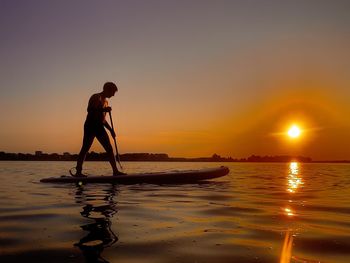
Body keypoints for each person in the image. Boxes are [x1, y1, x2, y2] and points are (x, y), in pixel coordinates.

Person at [72, 82, 125, 177]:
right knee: (85, 149)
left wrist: (111, 130)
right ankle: (78, 172)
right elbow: (90, 110)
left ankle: (115, 172)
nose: (113, 95)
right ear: (107, 89)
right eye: (113, 92)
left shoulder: (106, 102)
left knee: (109, 149)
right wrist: (104, 110)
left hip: (99, 126)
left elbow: (103, 120)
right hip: (90, 125)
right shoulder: (96, 97)